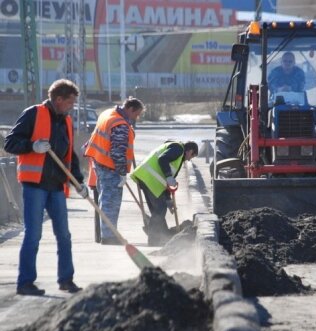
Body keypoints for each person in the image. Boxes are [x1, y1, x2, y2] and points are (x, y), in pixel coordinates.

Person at [4, 79, 88, 296]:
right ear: (58, 99)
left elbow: (70, 157)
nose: (72, 106)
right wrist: (33, 146)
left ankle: (66, 279)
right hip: (35, 185)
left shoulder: (66, 121)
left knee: (64, 235)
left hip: (57, 186)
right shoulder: (33, 113)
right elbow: (10, 143)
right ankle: (25, 283)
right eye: (70, 102)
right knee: (33, 234)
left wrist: (78, 182)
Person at [84, 97, 145, 245]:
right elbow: (118, 152)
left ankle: (107, 233)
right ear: (130, 109)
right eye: (136, 114)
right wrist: (122, 172)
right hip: (111, 167)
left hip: (99, 163)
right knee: (110, 202)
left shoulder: (108, 114)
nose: (136, 118)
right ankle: (109, 236)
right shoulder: (120, 125)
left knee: (105, 200)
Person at [130, 140, 198, 246]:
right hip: (149, 178)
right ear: (190, 151)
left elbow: (167, 183)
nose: (189, 159)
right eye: (192, 156)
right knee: (159, 209)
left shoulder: (177, 154)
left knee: (157, 209)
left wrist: (168, 200)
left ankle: (163, 235)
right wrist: (168, 176)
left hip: (147, 178)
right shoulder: (178, 149)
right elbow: (162, 159)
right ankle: (154, 240)